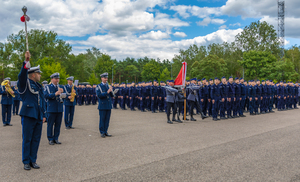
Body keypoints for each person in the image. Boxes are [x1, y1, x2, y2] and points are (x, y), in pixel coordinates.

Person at [18, 51, 46, 170]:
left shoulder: (38, 86)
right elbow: (21, 76)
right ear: (33, 74)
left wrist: (44, 114)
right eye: (38, 73)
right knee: (27, 139)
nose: (40, 75)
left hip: (38, 115)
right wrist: (26, 62)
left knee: (36, 139)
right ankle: (26, 161)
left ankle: (33, 160)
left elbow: (42, 101)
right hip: (29, 115)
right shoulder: (25, 84)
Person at [44, 73, 64, 145]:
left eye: (58, 79)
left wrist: (63, 93)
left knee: (58, 124)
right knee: (50, 124)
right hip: (51, 108)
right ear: (52, 79)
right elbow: (45, 95)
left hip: (59, 108)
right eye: (56, 79)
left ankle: (56, 138)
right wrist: (55, 94)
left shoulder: (61, 87)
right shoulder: (48, 87)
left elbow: (64, 97)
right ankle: (50, 138)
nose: (57, 80)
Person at [96, 72, 114, 138]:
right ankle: (102, 132)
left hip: (108, 105)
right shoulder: (99, 86)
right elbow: (99, 95)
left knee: (107, 119)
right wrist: (107, 92)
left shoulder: (107, 85)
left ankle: (106, 131)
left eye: (106, 78)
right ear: (101, 78)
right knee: (102, 119)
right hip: (102, 105)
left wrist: (112, 91)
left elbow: (111, 95)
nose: (106, 79)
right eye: (105, 78)